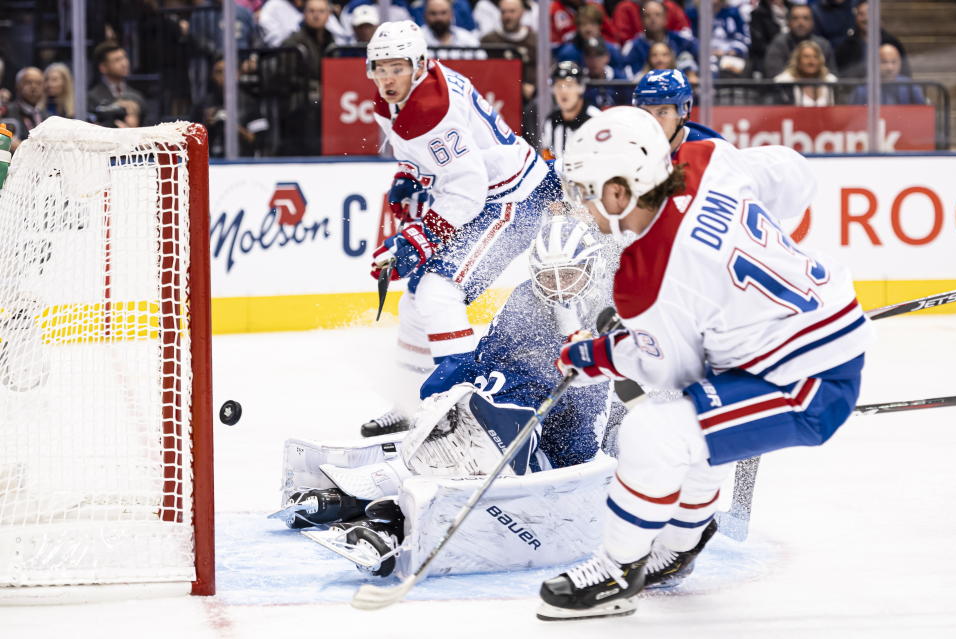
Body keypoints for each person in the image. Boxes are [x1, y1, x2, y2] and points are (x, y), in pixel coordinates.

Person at [536, 106, 872, 620]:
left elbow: (671, 372)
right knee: (694, 422)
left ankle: (616, 572)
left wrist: (597, 355)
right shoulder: (706, 158)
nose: (582, 205)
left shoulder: (644, 280)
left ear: (622, 190)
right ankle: (682, 543)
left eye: (587, 191)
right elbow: (793, 173)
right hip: (822, 320)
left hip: (806, 382)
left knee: (654, 430)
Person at [274, 215, 622, 577]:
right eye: (548, 277)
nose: (558, 288)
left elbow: (623, 384)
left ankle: (397, 510)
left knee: (512, 431)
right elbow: (492, 358)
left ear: (592, 266)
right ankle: (363, 495)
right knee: (479, 412)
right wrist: (458, 380)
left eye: (567, 276)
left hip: (569, 435)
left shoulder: (613, 306)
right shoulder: (526, 298)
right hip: (530, 414)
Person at [364, 21, 561, 424]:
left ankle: (459, 405)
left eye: (396, 67)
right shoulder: (404, 95)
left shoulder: (430, 111)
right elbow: (435, 159)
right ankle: (411, 405)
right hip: (490, 193)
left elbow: (468, 190)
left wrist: (417, 239)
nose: (387, 78)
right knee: (417, 299)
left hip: (514, 196)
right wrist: (409, 173)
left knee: (439, 289)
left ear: (418, 65)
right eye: (379, 68)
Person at [632, 68, 722, 155]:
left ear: (684, 109)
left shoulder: (712, 154)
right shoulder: (631, 146)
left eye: (662, 112)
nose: (653, 121)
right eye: (646, 113)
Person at [621, 0, 698, 80]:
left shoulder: (682, 42)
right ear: (641, 20)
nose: (653, 19)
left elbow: (703, 60)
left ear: (665, 18)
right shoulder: (633, 47)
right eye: (647, 15)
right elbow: (627, 81)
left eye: (657, 15)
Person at [480, 0, 539, 102]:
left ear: (522, 12)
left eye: (512, 11)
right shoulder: (488, 41)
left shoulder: (535, 40)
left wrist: (535, 87)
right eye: (504, 12)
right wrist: (518, 86)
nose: (507, 16)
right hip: (498, 96)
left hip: (530, 99)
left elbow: (546, 68)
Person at [541, 61, 600, 161]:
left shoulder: (596, 119)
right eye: (559, 86)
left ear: (580, 88)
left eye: (569, 85)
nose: (563, 91)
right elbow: (548, 159)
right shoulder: (550, 121)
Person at [835, 0, 910, 79]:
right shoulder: (847, 46)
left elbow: (905, 73)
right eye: (861, 14)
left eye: (870, 13)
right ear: (855, 17)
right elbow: (841, 75)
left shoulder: (892, 42)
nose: (866, 18)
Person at [763, 2, 836, 78]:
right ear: (788, 22)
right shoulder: (779, 44)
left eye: (805, 18)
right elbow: (774, 77)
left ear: (812, 22)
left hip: (818, 88)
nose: (801, 23)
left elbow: (832, 75)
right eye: (795, 18)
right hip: (787, 88)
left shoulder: (823, 45)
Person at [87, 42, 147, 121]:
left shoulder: (137, 95)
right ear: (103, 67)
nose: (124, 63)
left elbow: (148, 123)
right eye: (117, 60)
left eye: (124, 57)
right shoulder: (92, 97)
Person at [849, 44, 925, 105]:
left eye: (893, 62)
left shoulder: (910, 85)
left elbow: (923, 111)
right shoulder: (863, 88)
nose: (890, 67)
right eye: (884, 62)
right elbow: (854, 114)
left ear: (900, 64)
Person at [774, 39, 838, 106]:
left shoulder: (830, 80)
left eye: (815, 57)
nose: (811, 61)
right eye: (806, 57)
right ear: (798, 60)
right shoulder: (786, 80)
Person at [421, 0, 486, 59]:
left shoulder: (466, 38)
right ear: (425, 15)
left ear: (451, 14)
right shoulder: (418, 37)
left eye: (443, 13)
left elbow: (482, 58)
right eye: (433, 13)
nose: (439, 18)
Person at [582, 37, 630, 109]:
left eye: (598, 55)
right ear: (584, 58)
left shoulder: (620, 79)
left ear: (607, 57)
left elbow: (629, 108)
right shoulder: (580, 81)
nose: (594, 60)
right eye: (589, 55)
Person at [4, 67, 45, 144]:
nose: (34, 87)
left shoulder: (47, 117)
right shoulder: (6, 112)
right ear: (18, 85)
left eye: (38, 83)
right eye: (28, 82)